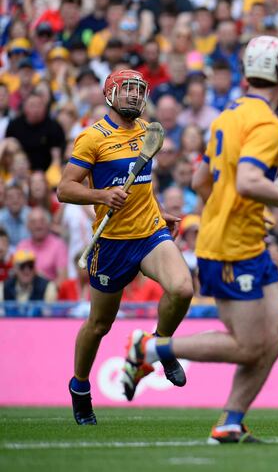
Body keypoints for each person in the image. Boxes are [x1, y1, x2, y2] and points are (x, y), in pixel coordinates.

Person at [122, 36, 278, 444]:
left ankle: (230, 421)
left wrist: (231, 211)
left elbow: (202, 180)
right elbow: (250, 181)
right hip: (232, 247)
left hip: (243, 239)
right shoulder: (267, 122)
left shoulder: (227, 115)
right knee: (250, 346)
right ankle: (149, 348)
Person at [57, 69, 193, 425]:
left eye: (138, 90)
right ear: (110, 95)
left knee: (182, 288)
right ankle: (80, 387)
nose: (134, 96)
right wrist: (101, 194)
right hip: (112, 243)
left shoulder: (149, 131)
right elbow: (64, 189)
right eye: (127, 90)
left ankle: (160, 346)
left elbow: (142, 185)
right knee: (99, 324)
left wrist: (160, 211)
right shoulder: (92, 138)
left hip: (149, 233)